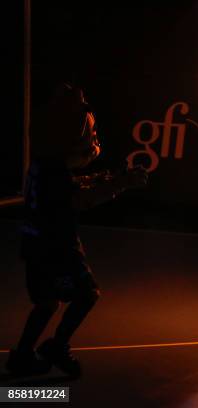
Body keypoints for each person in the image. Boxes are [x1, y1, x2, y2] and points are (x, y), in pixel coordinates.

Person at [5, 83, 148, 377]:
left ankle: (21, 356)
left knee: (46, 302)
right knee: (87, 294)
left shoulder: (43, 165)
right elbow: (81, 198)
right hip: (57, 246)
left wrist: (109, 177)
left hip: (34, 244)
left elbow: (74, 183)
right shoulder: (55, 173)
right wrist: (122, 183)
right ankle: (57, 344)